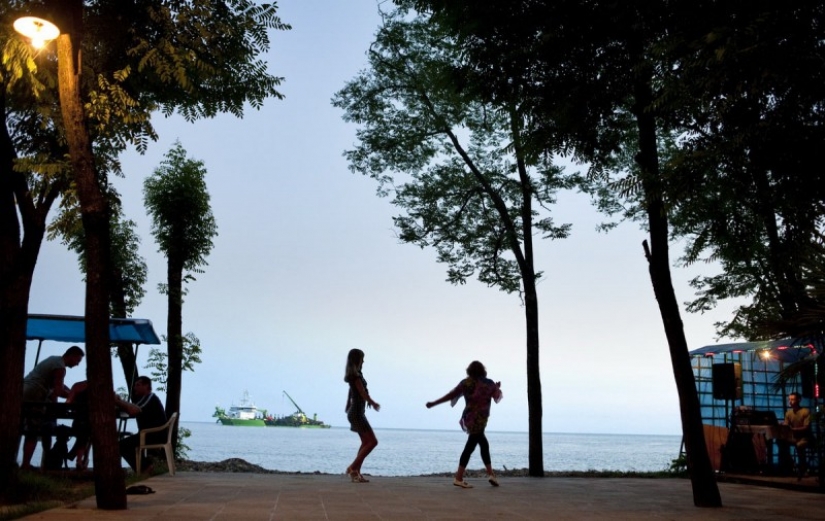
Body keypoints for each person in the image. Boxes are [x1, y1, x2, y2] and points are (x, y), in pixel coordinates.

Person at [426, 360, 502, 488]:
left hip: (470, 419)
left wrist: (434, 403)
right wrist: (497, 387)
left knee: (483, 443)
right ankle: (459, 477)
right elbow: (497, 396)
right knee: (471, 446)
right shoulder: (489, 384)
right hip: (481, 419)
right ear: (483, 370)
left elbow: (451, 395)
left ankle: (491, 474)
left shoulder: (465, 383)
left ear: (469, 371)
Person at [21, 345, 85, 469]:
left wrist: (71, 392)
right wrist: (73, 397)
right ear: (71, 356)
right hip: (35, 396)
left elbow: (60, 385)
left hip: (25, 393)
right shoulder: (60, 367)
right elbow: (58, 390)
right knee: (33, 431)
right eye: (77, 360)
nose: (77, 364)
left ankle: (34, 463)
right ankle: (26, 465)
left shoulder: (54, 360)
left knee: (28, 429)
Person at [115, 376, 167, 473]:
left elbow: (134, 410)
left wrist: (117, 401)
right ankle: (144, 467)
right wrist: (120, 403)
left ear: (146, 386)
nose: (135, 388)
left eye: (138, 385)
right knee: (126, 443)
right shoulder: (143, 399)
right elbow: (132, 408)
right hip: (149, 434)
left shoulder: (150, 397)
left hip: (155, 435)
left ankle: (145, 468)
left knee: (121, 445)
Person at [344, 348, 380, 483]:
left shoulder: (355, 374)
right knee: (372, 442)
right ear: (357, 360)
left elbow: (352, 391)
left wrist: (348, 403)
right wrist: (372, 402)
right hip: (357, 413)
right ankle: (353, 467)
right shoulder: (356, 376)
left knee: (366, 442)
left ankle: (356, 473)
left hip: (356, 412)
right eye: (362, 358)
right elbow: (361, 392)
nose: (363, 361)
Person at [783, 392, 812, 477]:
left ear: (798, 400)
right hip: (793, 437)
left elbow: (806, 427)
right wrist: (783, 425)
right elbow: (786, 425)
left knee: (800, 446)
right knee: (782, 443)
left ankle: (803, 468)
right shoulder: (788, 413)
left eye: (792, 399)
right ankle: (790, 466)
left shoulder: (805, 411)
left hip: (804, 437)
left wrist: (793, 429)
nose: (790, 401)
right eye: (789, 399)